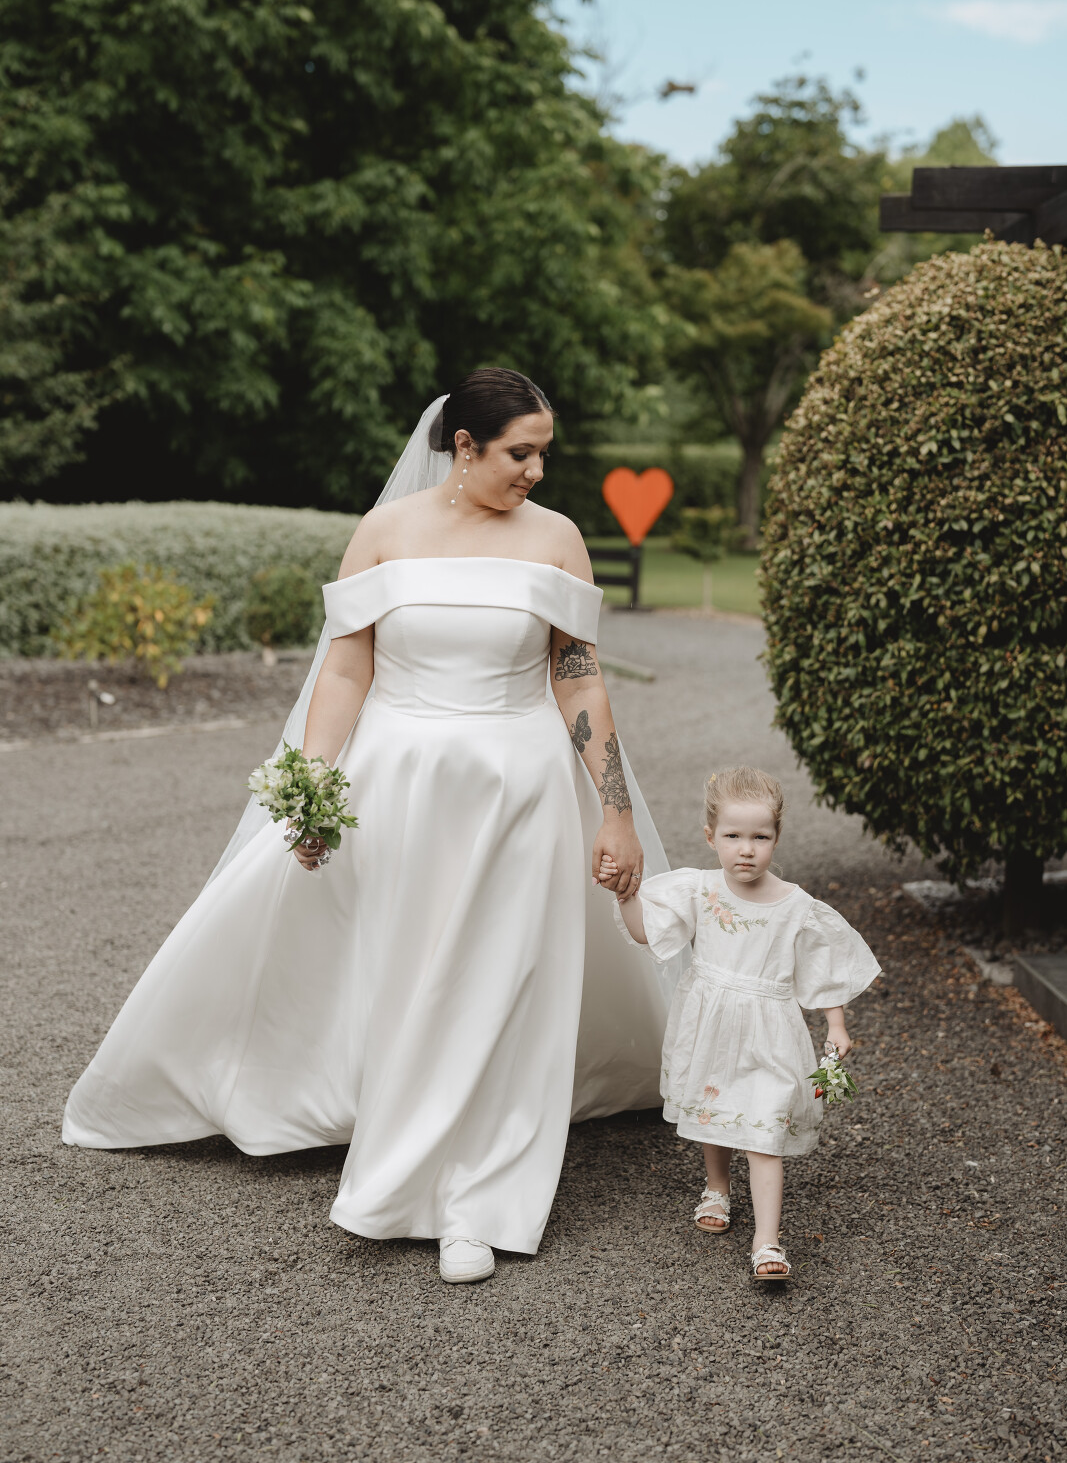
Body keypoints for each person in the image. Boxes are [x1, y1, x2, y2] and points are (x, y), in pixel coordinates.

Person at [63, 369, 675, 1284]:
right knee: (410, 969)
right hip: (399, 784)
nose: (537, 471)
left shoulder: (557, 540)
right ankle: (385, 1125)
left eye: (544, 453)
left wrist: (615, 813)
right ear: (463, 447)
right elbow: (345, 671)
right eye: (520, 452)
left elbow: (578, 679)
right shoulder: (385, 533)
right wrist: (311, 788)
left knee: (500, 976)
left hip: (519, 790)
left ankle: (473, 1198)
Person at [608, 765, 880, 1284]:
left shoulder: (797, 907)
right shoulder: (700, 891)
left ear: (777, 837)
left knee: (764, 1129)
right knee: (716, 1103)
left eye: (760, 837)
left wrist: (836, 1025)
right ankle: (717, 1186)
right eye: (733, 836)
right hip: (711, 1025)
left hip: (771, 1033)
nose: (747, 850)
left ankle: (767, 1240)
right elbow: (647, 933)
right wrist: (625, 896)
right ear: (710, 836)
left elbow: (822, 968)